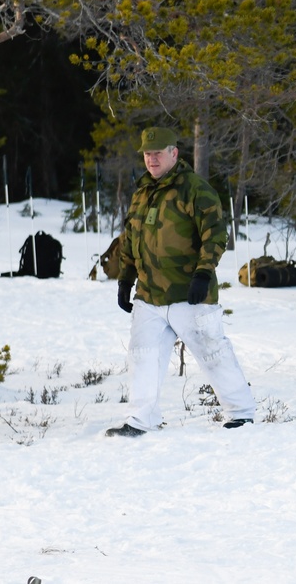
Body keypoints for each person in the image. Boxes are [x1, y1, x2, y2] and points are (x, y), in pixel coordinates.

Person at [107, 127, 256, 437]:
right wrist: (125, 279)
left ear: (174, 153)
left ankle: (241, 413)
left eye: (158, 153)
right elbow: (131, 238)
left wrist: (203, 273)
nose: (152, 159)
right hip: (149, 295)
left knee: (213, 352)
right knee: (142, 356)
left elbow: (214, 234)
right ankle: (140, 419)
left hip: (191, 294)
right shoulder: (142, 193)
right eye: (147, 154)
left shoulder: (195, 189)